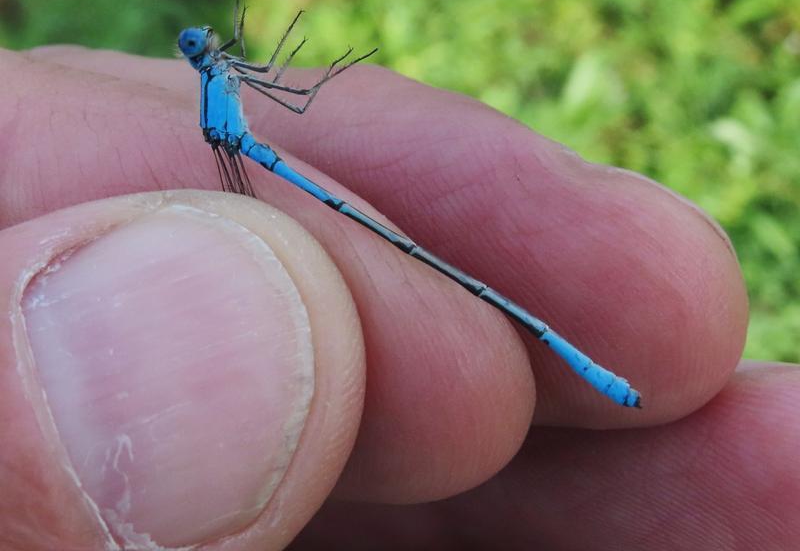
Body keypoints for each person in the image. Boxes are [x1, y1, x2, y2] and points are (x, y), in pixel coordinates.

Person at [0, 46, 795, 550]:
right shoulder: (222, 90)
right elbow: (288, 106)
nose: (211, 48)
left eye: (206, 47)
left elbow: (283, 106)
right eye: (208, 51)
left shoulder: (219, 83)